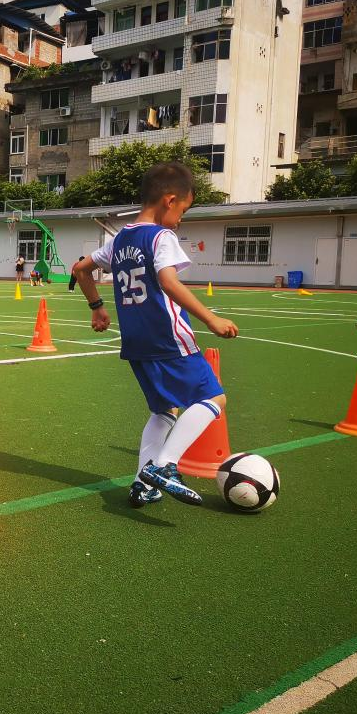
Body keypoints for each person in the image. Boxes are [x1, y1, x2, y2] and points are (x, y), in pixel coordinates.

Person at [72, 161, 238, 509]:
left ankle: (141, 484)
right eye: (183, 210)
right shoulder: (162, 237)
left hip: (136, 341)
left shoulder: (120, 239)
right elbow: (167, 281)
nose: (180, 219)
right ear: (169, 199)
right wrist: (211, 319)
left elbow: (80, 269)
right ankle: (164, 467)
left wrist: (96, 307)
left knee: (163, 410)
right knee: (213, 399)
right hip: (168, 338)